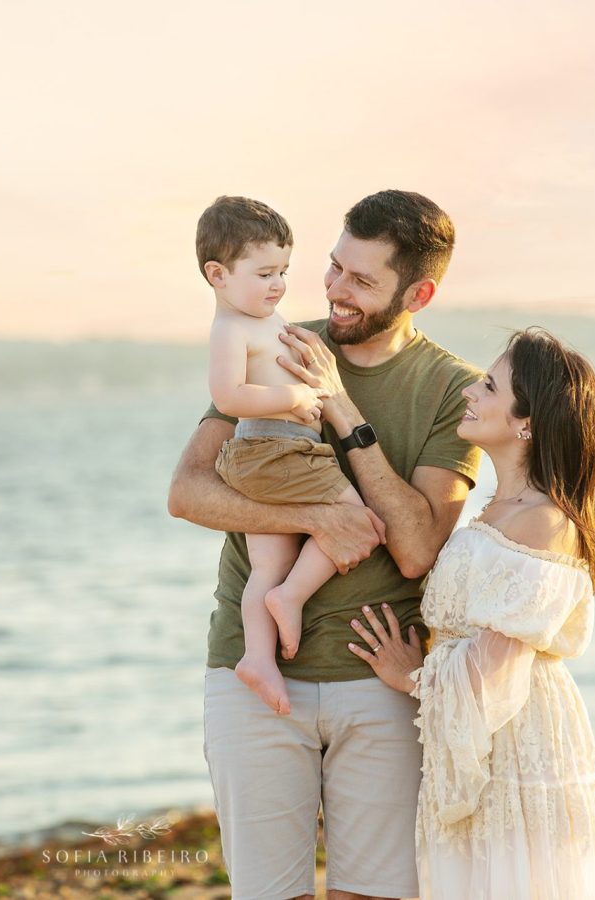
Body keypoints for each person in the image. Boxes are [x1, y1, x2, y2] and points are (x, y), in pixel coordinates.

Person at [169, 189, 482, 900]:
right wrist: (313, 518)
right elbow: (186, 491)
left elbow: (415, 549)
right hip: (250, 678)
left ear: (420, 292)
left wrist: (340, 405)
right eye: (335, 267)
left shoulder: (452, 389)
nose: (336, 291)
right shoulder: (274, 338)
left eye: (363, 280)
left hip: (380, 681)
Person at [348, 327, 595, 898]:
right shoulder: (497, 508)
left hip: (519, 745)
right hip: (486, 739)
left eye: (491, 385)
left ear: (527, 422)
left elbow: (496, 667)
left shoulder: (544, 522)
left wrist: (411, 675)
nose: (472, 390)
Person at [198, 196, 370, 717]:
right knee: (360, 522)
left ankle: (258, 657)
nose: (278, 284)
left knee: (265, 568)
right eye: (265, 273)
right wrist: (295, 399)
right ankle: (292, 597)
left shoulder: (265, 319)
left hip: (273, 453)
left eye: (284, 271)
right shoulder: (232, 329)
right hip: (272, 449)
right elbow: (228, 397)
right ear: (218, 275)